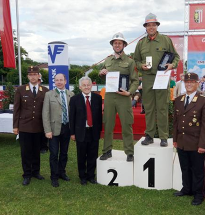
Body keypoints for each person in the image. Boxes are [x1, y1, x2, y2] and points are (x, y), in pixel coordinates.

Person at [134, 13, 180, 146]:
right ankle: (149, 135)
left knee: (162, 108)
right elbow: (136, 60)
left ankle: (163, 136)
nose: (151, 27)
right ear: (145, 27)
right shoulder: (141, 43)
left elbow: (176, 57)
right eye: (148, 25)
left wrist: (172, 65)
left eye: (153, 25)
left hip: (162, 77)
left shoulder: (165, 40)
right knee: (148, 108)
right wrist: (140, 66)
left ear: (157, 26)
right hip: (147, 78)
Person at [172, 72, 205, 206]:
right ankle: (187, 188)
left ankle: (199, 193)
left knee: (197, 170)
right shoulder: (178, 100)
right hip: (182, 141)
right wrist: (175, 139)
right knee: (185, 167)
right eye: (187, 82)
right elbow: (176, 122)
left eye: (192, 82)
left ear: (197, 83)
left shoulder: (204, 101)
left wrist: (203, 145)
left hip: (196, 143)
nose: (189, 84)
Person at [99, 32, 138, 162]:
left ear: (124, 45)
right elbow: (103, 74)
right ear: (112, 45)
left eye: (119, 43)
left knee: (126, 125)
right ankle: (107, 151)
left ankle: (129, 152)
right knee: (108, 124)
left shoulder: (130, 61)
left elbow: (135, 80)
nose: (117, 45)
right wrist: (101, 72)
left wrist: (130, 93)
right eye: (115, 43)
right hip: (109, 96)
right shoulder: (108, 60)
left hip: (123, 97)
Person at [13, 66, 49, 186]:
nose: (33, 76)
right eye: (30, 74)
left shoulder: (45, 90)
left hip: (39, 126)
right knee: (26, 152)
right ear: (28, 76)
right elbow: (16, 109)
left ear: (39, 76)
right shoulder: (21, 90)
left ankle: (36, 172)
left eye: (35, 74)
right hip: (25, 126)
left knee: (36, 151)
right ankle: (27, 174)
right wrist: (15, 126)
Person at [42, 73, 74, 187]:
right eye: (57, 80)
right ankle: (54, 176)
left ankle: (62, 172)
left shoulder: (71, 94)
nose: (59, 82)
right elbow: (45, 113)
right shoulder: (49, 95)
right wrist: (47, 130)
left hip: (67, 128)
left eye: (61, 80)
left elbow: (73, 114)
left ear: (65, 81)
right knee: (54, 154)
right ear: (54, 82)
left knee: (64, 153)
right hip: (53, 129)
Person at [70, 76, 102, 185]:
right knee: (81, 156)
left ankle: (91, 176)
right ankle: (82, 177)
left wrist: (99, 131)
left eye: (88, 85)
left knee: (93, 154)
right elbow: (72, 117)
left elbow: (99, 117)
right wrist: (72, 133)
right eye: (84, 85)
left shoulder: (97, 99)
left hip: (93, 131)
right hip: (80, 132)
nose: (87, 87)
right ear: (80, 87)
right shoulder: (75, 99)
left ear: (91, 86)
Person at [38, 74, 49, 154]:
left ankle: (44, 147)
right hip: (34, 115)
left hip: (43, 114)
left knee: (43, 132)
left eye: (39, 81)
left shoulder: (45, 90)